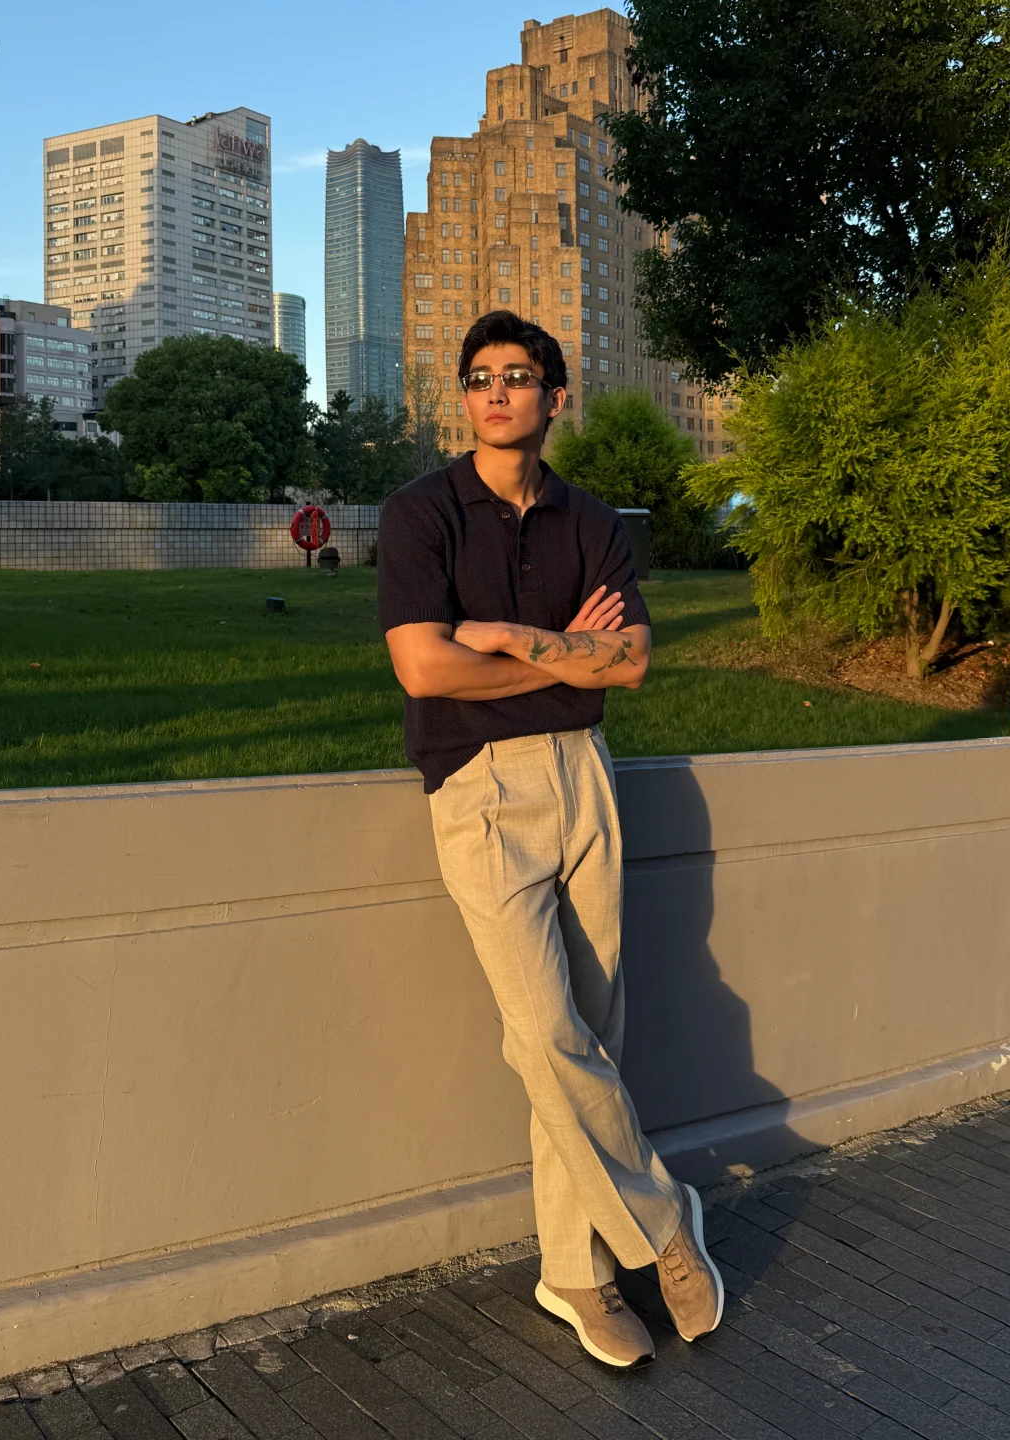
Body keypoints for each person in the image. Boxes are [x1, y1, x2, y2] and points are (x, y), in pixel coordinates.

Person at [376, 310, 723, 1369]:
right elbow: (424, 669)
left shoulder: (590, 521)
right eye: (479, 377)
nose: (496, 392)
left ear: (553, 397)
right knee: (542, 1033)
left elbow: (631, 663)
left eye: (517, 376)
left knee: (589, 1035)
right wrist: (567, 653)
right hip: (478, 789)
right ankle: (665, 1222)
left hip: (584, 776)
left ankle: (573, 1272)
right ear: (465, 398)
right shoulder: (420, 513)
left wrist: (510, 640)